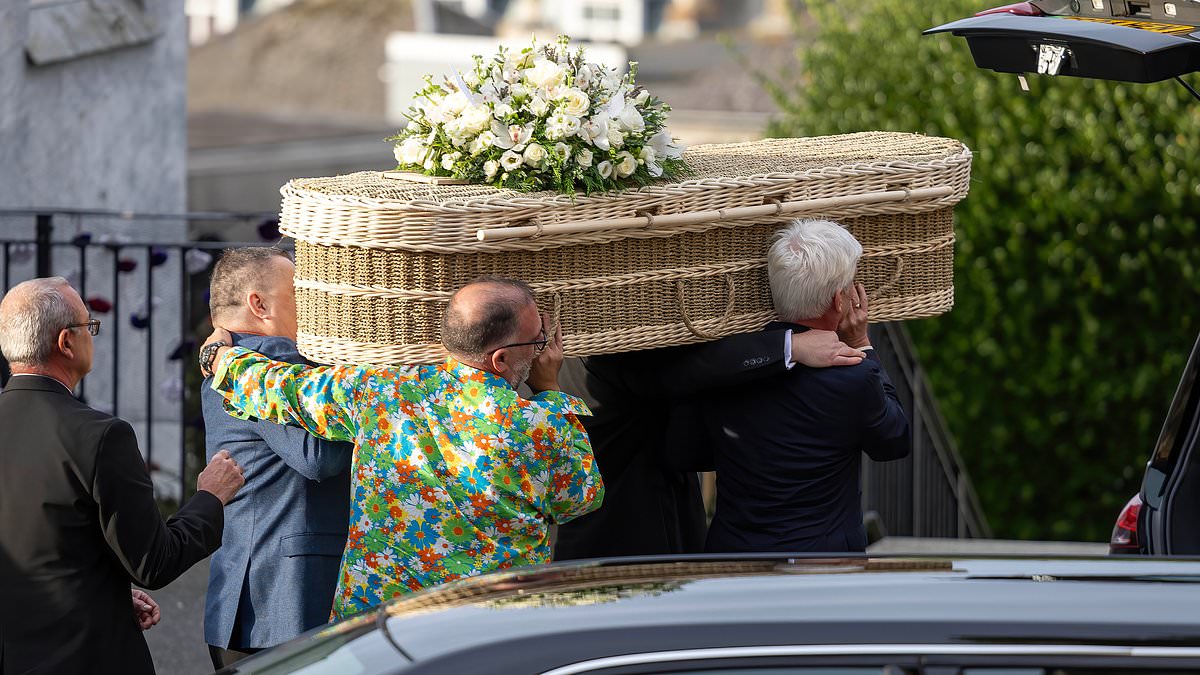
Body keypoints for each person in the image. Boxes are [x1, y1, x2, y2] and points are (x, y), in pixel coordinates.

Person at [200, 275, 602, 619]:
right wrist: (549, 389)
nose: (543, 349)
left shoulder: (380, 391)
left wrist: (218, 356)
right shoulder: (542, 426)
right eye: (538, 341)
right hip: (489, 627)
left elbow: (281, 386)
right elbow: (580, 499)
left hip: (381, 628)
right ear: (499, 359)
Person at [0, 277, 245, 675]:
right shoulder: (99, 436)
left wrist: (107, 592)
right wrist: (210, 498)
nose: (91, 336)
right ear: (66, 342)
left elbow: (40, 546)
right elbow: (153, 561)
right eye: (88, 326)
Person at [554, 328, 867, 560]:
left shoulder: (599, 341)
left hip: (650, 517)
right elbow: (692, 368)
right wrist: (790, 346)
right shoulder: (616, 347)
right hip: (620, 534)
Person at [698, 219, 911, 553]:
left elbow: (684, 451)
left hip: (734, 565)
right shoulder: (855, 377)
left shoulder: (726, 366)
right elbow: (895, 441)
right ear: (839, 300)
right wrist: (861, 342)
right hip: (824, 574)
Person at [200, 248, 353, 669]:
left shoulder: (230, 361)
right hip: (286, 599)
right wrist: (354, 386)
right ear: (258, 304)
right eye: (298, 294)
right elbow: (317, 457)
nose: (311, 308)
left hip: (251, 596)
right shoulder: (271, 358)